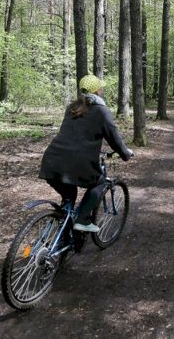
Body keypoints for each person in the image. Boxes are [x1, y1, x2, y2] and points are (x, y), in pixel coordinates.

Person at [39, 74, 133, 232]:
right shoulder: (101, 111)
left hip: (52, 160)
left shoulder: (72, 108)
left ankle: (64, 231)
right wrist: (125, 154)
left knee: (69, 196)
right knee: (100, 182)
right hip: (76, 162)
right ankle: (82, 220)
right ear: (97, 90)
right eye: (101, 88)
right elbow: (114, 137)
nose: (102, 90)